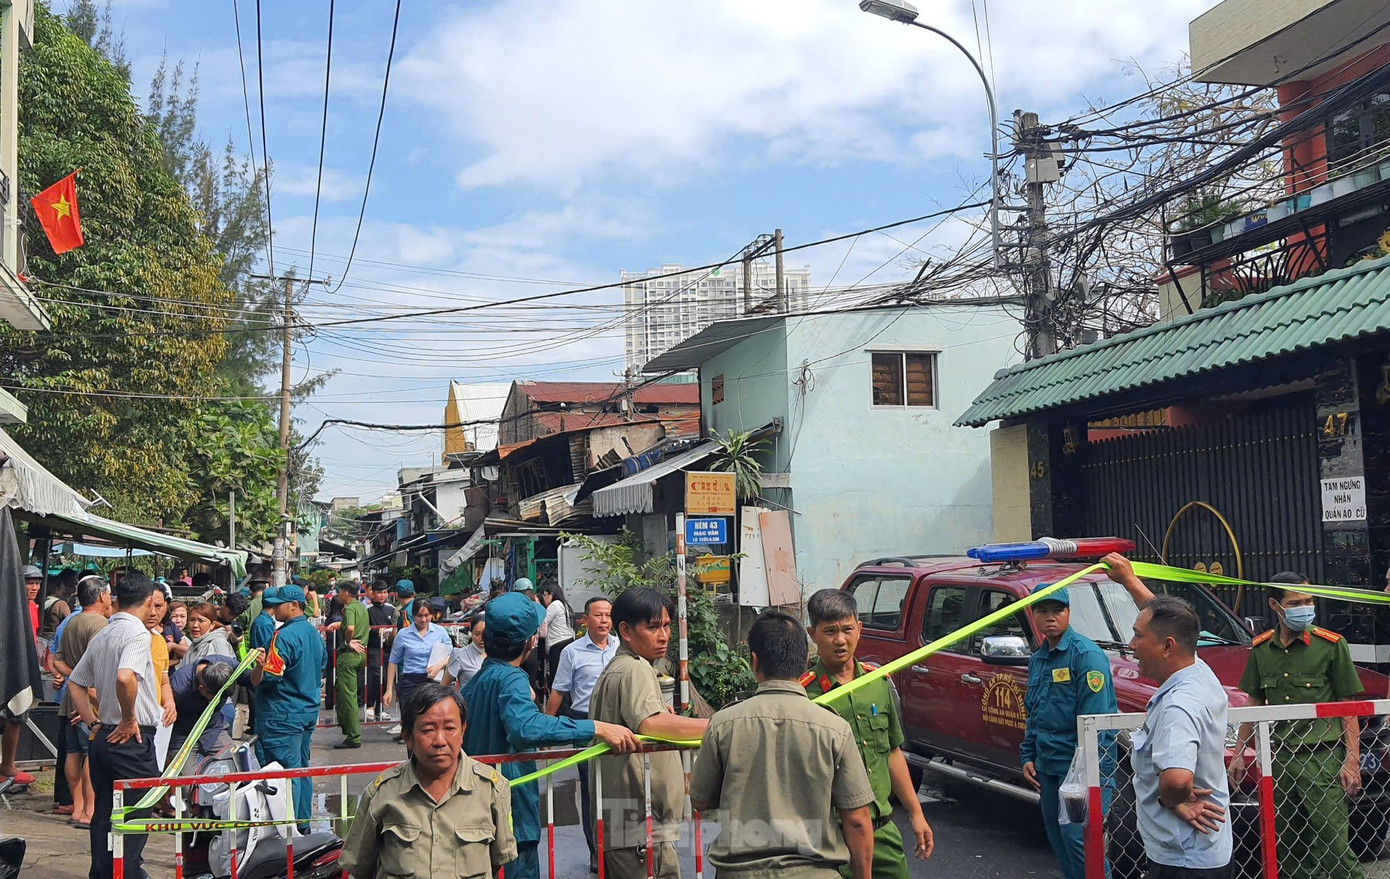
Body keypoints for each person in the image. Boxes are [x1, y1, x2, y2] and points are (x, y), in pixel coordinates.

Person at [463, 592, 637, 879]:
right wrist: (596, 727)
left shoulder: (478, 681)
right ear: (531, 641)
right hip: (510, 809)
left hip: (481, 805)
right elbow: (526, 727)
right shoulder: (512, 678)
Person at [691, 610, 876, 879]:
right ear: (804, 662)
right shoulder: (835, 728)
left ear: (754, 661)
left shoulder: (723, 724)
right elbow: (858, 820)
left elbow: (700, 799)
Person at [1229, 572, 1365, 879]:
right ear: (1276, 605)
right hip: (1282, 759)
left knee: (1335, 847)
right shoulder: (1263, 649)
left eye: (1308, 601)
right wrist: (1239, 752)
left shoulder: (1330, 645)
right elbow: (1253, 702)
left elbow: (1348, 706)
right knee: (1289, 847)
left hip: (1322, 758)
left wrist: (1352, 759)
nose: (1304, 607)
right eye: (1295, 602)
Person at [802, 589, 935, 879]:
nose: (840, 640)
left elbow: (891, 752)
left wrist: (916, 813)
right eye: (830, 631)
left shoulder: (878, 682)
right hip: (832, 839)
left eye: (847, 630)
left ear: (859, 629)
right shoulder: (805, 697)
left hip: (882, 831)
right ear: (812, 634)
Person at [341, 682, 517, 879]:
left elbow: (497, 860)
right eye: (427, 730)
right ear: (408, 736)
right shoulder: (382, 793)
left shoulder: (491, 789)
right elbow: (361, 866)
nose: (440, 740)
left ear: (463, 731)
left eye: (450, 728)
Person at [588, 588, 705, 878]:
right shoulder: (634, 669)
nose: (664, 635)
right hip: (640, 827)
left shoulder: (620, 668)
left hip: (628, 824)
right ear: (625, 630)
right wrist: (723, 725)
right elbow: (651, 724)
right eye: (653, 627)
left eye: (666, 626)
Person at [1011, 581, 1119, 879]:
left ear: (1069, 612)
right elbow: (1035, 713)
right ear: (1033, 615)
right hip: (1049, 769)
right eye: (1042, 610)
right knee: (1061, 847)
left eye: (1057, 610)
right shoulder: (1038, 660)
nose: (1050, 617)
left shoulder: (1086, 657)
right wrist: (1027, 755)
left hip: (1083, 773)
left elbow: (1095, 725)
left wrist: (1086, 777)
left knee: (1083, 849)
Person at [67, 572, 165, 879]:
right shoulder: (138, 635)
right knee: (135, 815)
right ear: (150, 602)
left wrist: (93, 721)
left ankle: (104, 873)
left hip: (103, 737)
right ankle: (129, 872)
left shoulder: (104, 635)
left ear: (116, 600)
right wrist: (128, 717)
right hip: (129, 738)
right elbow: (125, 677)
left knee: (105, 815)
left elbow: (76, 682)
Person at [1127, 596, 1232, 879]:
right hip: (1205, 853)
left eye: (1138, 636)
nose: (1131, 645)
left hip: (1182, 859)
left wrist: (1174, 800)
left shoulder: (1178, 706)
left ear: (1167, 646)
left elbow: (1176, 780)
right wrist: (1128, 580)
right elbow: (1176, 620)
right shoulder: (1198, 672)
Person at [544, 597, 616, 870]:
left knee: (617, 787)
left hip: (616, 722)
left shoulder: (621, 649)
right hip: (585, 724)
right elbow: (559, 692)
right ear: (585, 619)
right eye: (598, 615)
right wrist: (546, 731)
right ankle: (596, 852)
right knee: (591, 787)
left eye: (608, 615)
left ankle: (618, 849)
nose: (604, 621)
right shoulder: (571, 652)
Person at [249, 584, 326, 824]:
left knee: (284, 773)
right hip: (306, 712)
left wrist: (256, 669)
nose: (274, 608)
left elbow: (269, 677)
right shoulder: (313, 632)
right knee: (301, 769)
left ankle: (290, 831)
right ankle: (302, 824)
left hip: (282, 714)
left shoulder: (283, 636)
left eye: (279, 604)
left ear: (294, 606)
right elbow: (322, 666)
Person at [50, 576, 112, 830]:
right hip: (90, 698)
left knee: (73, 752)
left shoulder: (71, 621)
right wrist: (86, 690)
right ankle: (89, 810)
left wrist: (75, 681)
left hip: (70, 695)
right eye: (108, 594)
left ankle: (77, 808)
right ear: (101, 596)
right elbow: (98, 666)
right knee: (90, 754)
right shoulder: (100, 624)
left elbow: (57, 661)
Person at [384, 597, 454, 721]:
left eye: (427, 615)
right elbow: (393, 661)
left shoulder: (440, 632)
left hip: (433, 681)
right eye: (419, 615)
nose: (423, 620)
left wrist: (440, 664)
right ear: (413, 615)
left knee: (431, 719)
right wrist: (389, 689)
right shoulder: (403, 634)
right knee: (410, 720)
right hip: (410, 681)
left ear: (432, 614)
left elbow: (452, 655)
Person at [168, 658, 240, 759]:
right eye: (217, 698)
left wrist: (259, 667)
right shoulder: (178, 688)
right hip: (182, 739)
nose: (220, 700)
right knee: (190, 775)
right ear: (201, 689)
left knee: (237, 762)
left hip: (213, 729)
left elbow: (252, 679)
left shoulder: (229, 665)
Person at [332, 581, 369, 749]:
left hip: (349, 655)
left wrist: (347, 641)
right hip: (361, 654)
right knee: (345, 692)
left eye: (340, 592)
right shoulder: (361, 607)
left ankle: (353, 736)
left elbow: (351, 627)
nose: (339, 595)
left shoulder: (349, 608)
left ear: (346, 593)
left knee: (348, 697)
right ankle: (348, 729)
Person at [365, 578, 398, 721]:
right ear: (373, 594)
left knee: (386, 677)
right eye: (379, 593)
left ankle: (382, 707)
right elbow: (365, 628)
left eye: (385, 592)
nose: (382, 595)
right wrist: (377, 631)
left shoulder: (391, 609)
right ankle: (371, 706)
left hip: (388, 648)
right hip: (373, 648)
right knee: (375, 676)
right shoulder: (367, 610)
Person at [537, 583, 576, 687]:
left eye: (545, 595)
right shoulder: (565, 605)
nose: (544, 598)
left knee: (557, 676)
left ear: (551, 594)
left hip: (558, 644)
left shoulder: (555, 605)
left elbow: (543, 622)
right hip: (569, 641)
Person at [444, 615, 488, 690]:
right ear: (471, 633)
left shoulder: (498, 654)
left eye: (484, 634)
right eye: (477, 634)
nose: (481, 638)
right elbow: (444, 686)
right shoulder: (459, 655)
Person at [41, 569, 78, 640]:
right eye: (63, 587)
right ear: (57, 588)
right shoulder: (61, 605)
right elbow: (70, 623)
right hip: (53, 639)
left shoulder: (45, 601)